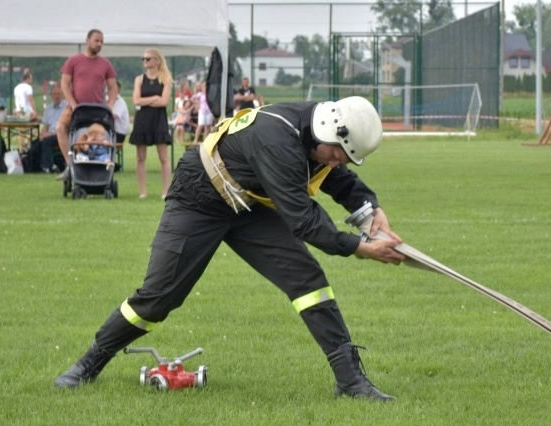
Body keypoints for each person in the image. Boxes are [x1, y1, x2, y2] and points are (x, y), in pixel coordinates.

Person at [54, 96, 405, 401]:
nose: (337, 163)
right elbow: (305, 221)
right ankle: (89, 363)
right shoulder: (278, 142)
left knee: (307, 280)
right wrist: (361, 248)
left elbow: (337, 177)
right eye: (339, 155)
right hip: (199, 197)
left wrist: (370, 211)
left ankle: (350, 380)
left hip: (250, 203)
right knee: (159, 297)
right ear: (331, 133)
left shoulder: (319, 134)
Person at [54, 29, 118, 181]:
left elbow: (113, 87)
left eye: (102, 41)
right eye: (96, 40)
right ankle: (70, 165)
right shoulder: (73, 61)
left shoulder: (105, 64)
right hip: (76, 108)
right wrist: (73, 103)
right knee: (60, 127)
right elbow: (64, 83)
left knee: (103, 135)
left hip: (98, 110)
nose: (99, 44)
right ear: (87, 40)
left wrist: (109, 105)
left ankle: (102, 166)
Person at [129, 48, 173, 199]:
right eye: (143, 59)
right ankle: (143, 192)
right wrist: (154, 97)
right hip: (142, 120)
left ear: (157, 61)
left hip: (159, 120)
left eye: (148, 59)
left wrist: (147, 101)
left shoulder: (166, 79)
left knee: (164, 157)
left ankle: (166, 191)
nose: (145, 61)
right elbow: (136, 101)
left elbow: (164, 102)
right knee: (140, 157)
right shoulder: (139, 79)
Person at [27, 83, 67, 173]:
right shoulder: (48, 109)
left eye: (58, 94)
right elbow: (46, 126)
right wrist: (42, 134)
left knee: (46, 141)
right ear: (51, 96)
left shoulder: (67, 107)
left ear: (62, 95)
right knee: (35, 146)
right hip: (49, 134)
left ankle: (46, 167)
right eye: (54, 94)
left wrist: (49, 134)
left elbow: (66, 127)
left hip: (61, 135)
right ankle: (34, 168)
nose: (56, 96)